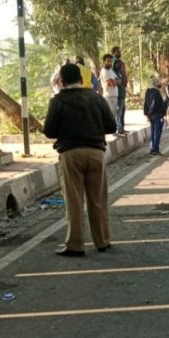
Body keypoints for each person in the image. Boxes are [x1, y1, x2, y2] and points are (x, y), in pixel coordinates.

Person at [44, 63, 117, 256]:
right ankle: (102, 241)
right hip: (95, 152)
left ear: (62, 81)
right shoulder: (96, 98)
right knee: (98, 199)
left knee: (74, 201)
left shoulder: (58, 101)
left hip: (70, 153)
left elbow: (49, 131)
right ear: (82, 79)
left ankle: (75, 245)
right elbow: (111, 126)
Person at [143, 75, 166, 156]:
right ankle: (155, 149)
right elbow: (154, 103)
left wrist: (147, 114)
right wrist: (150, 112)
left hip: (151, 115)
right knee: (157, 132)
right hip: (157, 114)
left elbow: (145, 103)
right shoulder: (156, 92)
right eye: (158, 82)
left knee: (153, 132)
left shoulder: (148, 91)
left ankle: (153, 148)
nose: (160, 83)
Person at [112, 46, 128, 135]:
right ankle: (119, 129)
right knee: (118, 111)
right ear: (114, 52)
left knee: (122, 110)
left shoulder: (120, 62)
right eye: (118, 51)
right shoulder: (114, 62)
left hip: (122, 89)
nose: (120, 53)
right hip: (118, 91)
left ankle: (122, 128)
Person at [99, 54, 119, 124]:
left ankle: (114, 132)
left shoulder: (111, 70)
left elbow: (119, 81)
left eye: (110, 61)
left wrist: (115, 81)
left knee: (114, 115)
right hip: (109, 96)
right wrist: (114, 81)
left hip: (114, 95)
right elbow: (112, 84)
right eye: (107, 61)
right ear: (104, 61)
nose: (109, 63)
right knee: (110, 115)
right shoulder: (104, 71)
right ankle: (111, 133)